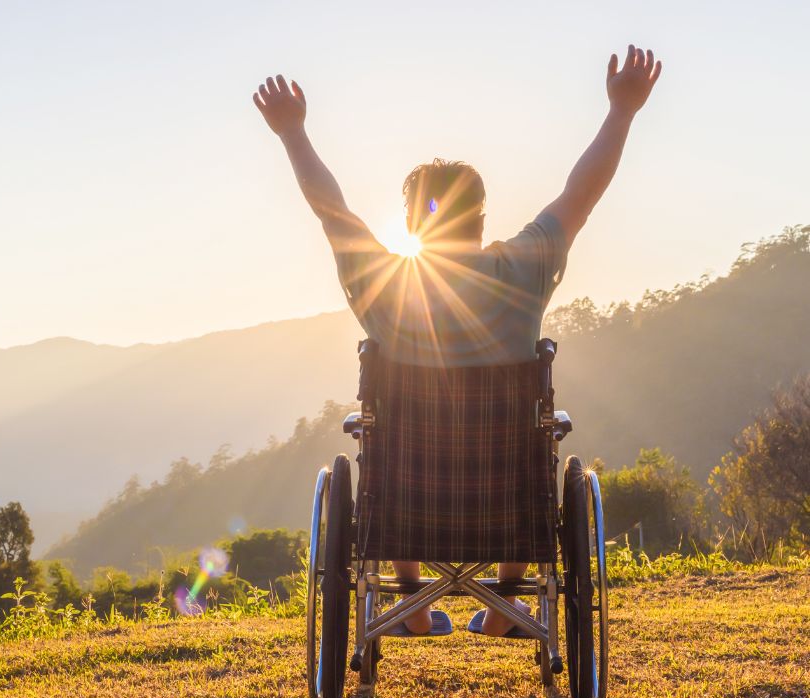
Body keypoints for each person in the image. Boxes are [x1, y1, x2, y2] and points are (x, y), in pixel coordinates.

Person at [254, 45, 661, 635]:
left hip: (409, 505)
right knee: (531, 440)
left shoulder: (386, 285)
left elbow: (330, 209)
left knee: (386, 432)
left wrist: (293, 134)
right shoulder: (524, 267)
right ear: (482, 218)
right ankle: (506, 608)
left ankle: (412, 610)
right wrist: (622, 111)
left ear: (414, 224)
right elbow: (582, 192)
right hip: (506, 505)